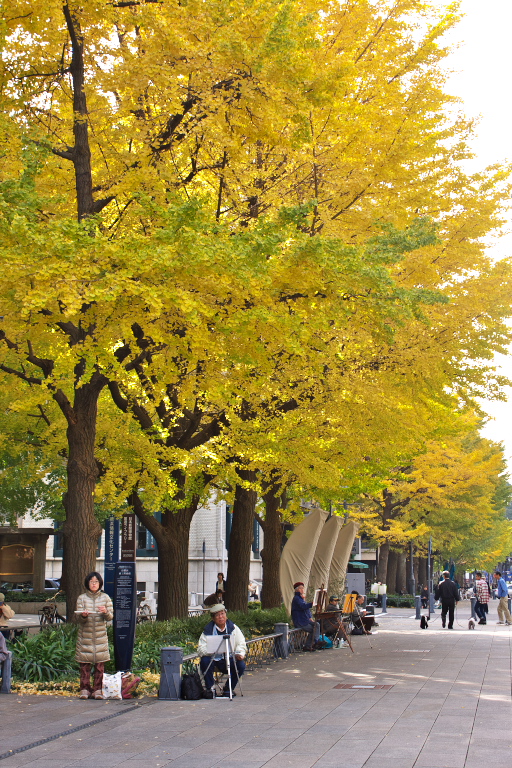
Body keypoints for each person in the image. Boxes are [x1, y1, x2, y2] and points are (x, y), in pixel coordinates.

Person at [75, 572, 114, 700]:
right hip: (85, 635)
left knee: (99, 665)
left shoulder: (106, 597)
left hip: (100, 635)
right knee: (84, 664)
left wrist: (105, 612)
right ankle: (84, 689)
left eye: (96, 581)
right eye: (91, 581)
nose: (93, 584)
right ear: (87, 583)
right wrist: (83, 616)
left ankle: (98, 690)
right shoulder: (81, 598)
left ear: (100, 583)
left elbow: (110, 617)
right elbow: (79, 619)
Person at [198, 604, 246, 697]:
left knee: (240, 665)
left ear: (226, 614)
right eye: (217, 615)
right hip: (214, 659)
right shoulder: (208, 630)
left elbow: (241, 643)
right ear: (213, 618)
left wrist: (239, 653)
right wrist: (210, 650)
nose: (221, 617)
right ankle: (210, 688)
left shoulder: (233, 628)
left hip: (229, 658)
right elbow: (200, 648)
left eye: (222, 614)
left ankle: (228, 688)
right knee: (204, 661)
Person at [291, 582, 320, 651]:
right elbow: (303, 606)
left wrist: (310, 617)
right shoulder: (296, 598)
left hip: (306, 620)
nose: (302, 590)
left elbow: (306, 610)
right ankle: (310, 645)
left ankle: (316, 641)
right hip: (300, 621)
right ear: (296, 590)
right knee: (313, 629)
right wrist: (312, 603)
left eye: (303, 588)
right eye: (300, 588)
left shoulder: (301, 598)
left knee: (317, 624)